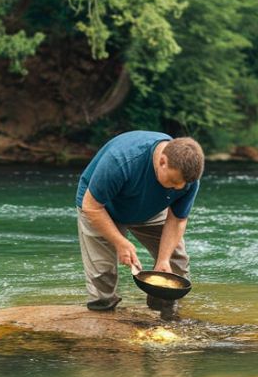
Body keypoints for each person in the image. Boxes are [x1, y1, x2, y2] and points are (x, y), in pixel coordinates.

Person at [75, 131, 204, 314]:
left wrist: (163, 259)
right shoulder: (121, 160)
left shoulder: (187, 180)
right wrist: (120, 242)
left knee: (176, 266)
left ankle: (165, 316)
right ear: (162, 161)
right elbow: (91, 206)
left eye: (182, 185)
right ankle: (102, 319)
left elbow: (177, 219)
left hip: (150, 208)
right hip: (102, 207)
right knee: (103, 273)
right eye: (174, 181)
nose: (178, 188)